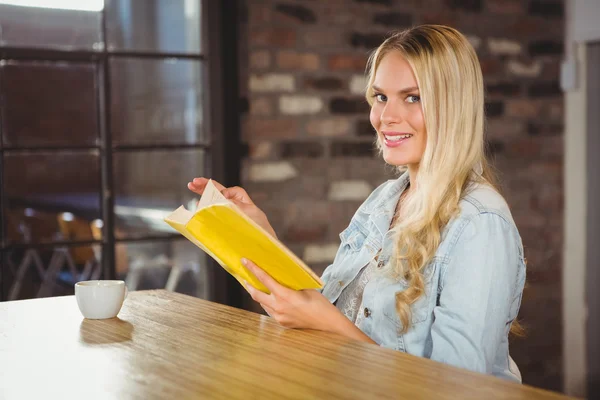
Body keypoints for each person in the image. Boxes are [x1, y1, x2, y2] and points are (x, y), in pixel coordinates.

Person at [188, 24, 526, 382]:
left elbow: (460, 385)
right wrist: (259, 235)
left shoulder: (480, 222)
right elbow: (333, 311)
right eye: (380, 97)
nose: (385, 117)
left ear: (454, 107)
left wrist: (324, 321)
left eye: (412, 97)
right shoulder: (385, 199)